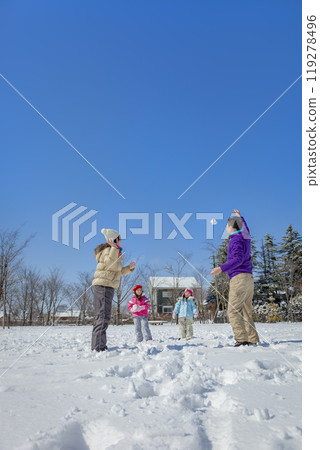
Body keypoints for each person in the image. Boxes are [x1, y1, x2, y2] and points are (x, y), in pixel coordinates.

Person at [211, 209, 259, 347]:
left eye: (227, 226)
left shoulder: (235, 241)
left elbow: (237, 259)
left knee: (232, 310)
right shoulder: (245, 237)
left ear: (232, 227)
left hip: (239, 278)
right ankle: (252, 339)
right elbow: (247, 230)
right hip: (248, 278)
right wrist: (241, 217)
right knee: (246, 310)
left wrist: (221, 268)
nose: (226, 229)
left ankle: (241, 339)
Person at [91, 228, 136, 351]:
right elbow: (109, 264)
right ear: (115, 239)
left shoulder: (114, 251)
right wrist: (114, 248)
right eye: (120, 239)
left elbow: (117, 271)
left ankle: (100, 345)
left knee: (105, 316)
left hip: (109, 286)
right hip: (103, 286)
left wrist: (129, 268)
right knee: (102, 316)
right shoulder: (108, 251)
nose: (121, 241)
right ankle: (98, 347)